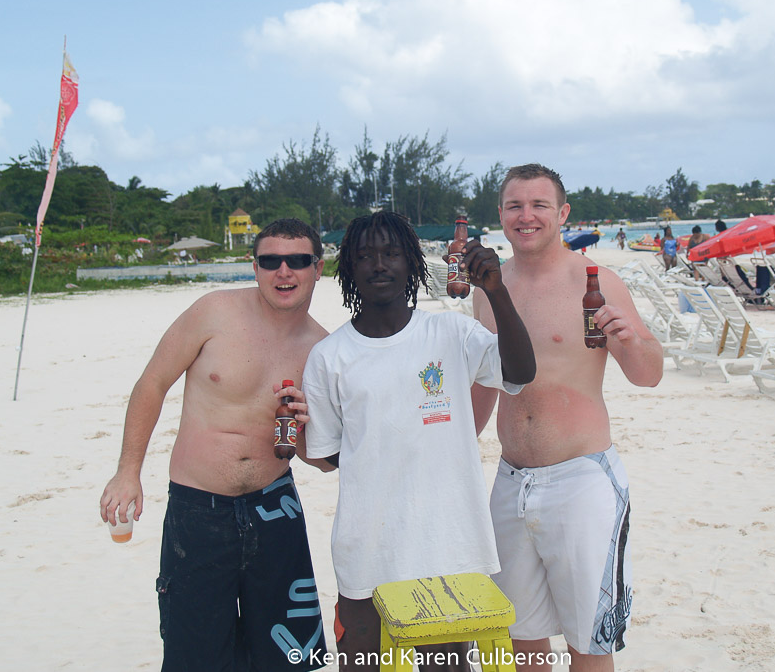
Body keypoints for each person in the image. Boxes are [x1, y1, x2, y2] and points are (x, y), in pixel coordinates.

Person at [303, 211, 536, 672]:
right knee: (363, 664)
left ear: (412, 263)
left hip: (446, 545)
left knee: (443, 665)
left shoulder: (451, 333)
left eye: (391, 253)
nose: (378, 264)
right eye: (364, 256)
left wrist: (497, 291)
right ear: (348, 269)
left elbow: (521, 371)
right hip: (367, 549)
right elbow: (329, 453)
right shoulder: (329, 357)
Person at [99, 219, 330, 672]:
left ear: (318, 268)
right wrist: (128, 471)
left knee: (288, 657)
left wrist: (304, 427)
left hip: (275, 507)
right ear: (254, 266)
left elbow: (319, 460)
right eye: (270, 261)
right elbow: (152, 383)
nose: (284, 272)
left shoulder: (322, 349)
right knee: (195, 655)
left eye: (298, 261)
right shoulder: (214, 312)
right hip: (198, 510)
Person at [472, 164, 663, 672]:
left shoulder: (594, 281)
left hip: (581, 481)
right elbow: (485, 386)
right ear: (500, 214)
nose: (526, 216)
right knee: (519, 637)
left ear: (562, 214)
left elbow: (647, 375)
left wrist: (632, 339)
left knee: (589, 643)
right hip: (510, 481)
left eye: (539, 205)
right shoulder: (488, 289)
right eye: (515, 206)